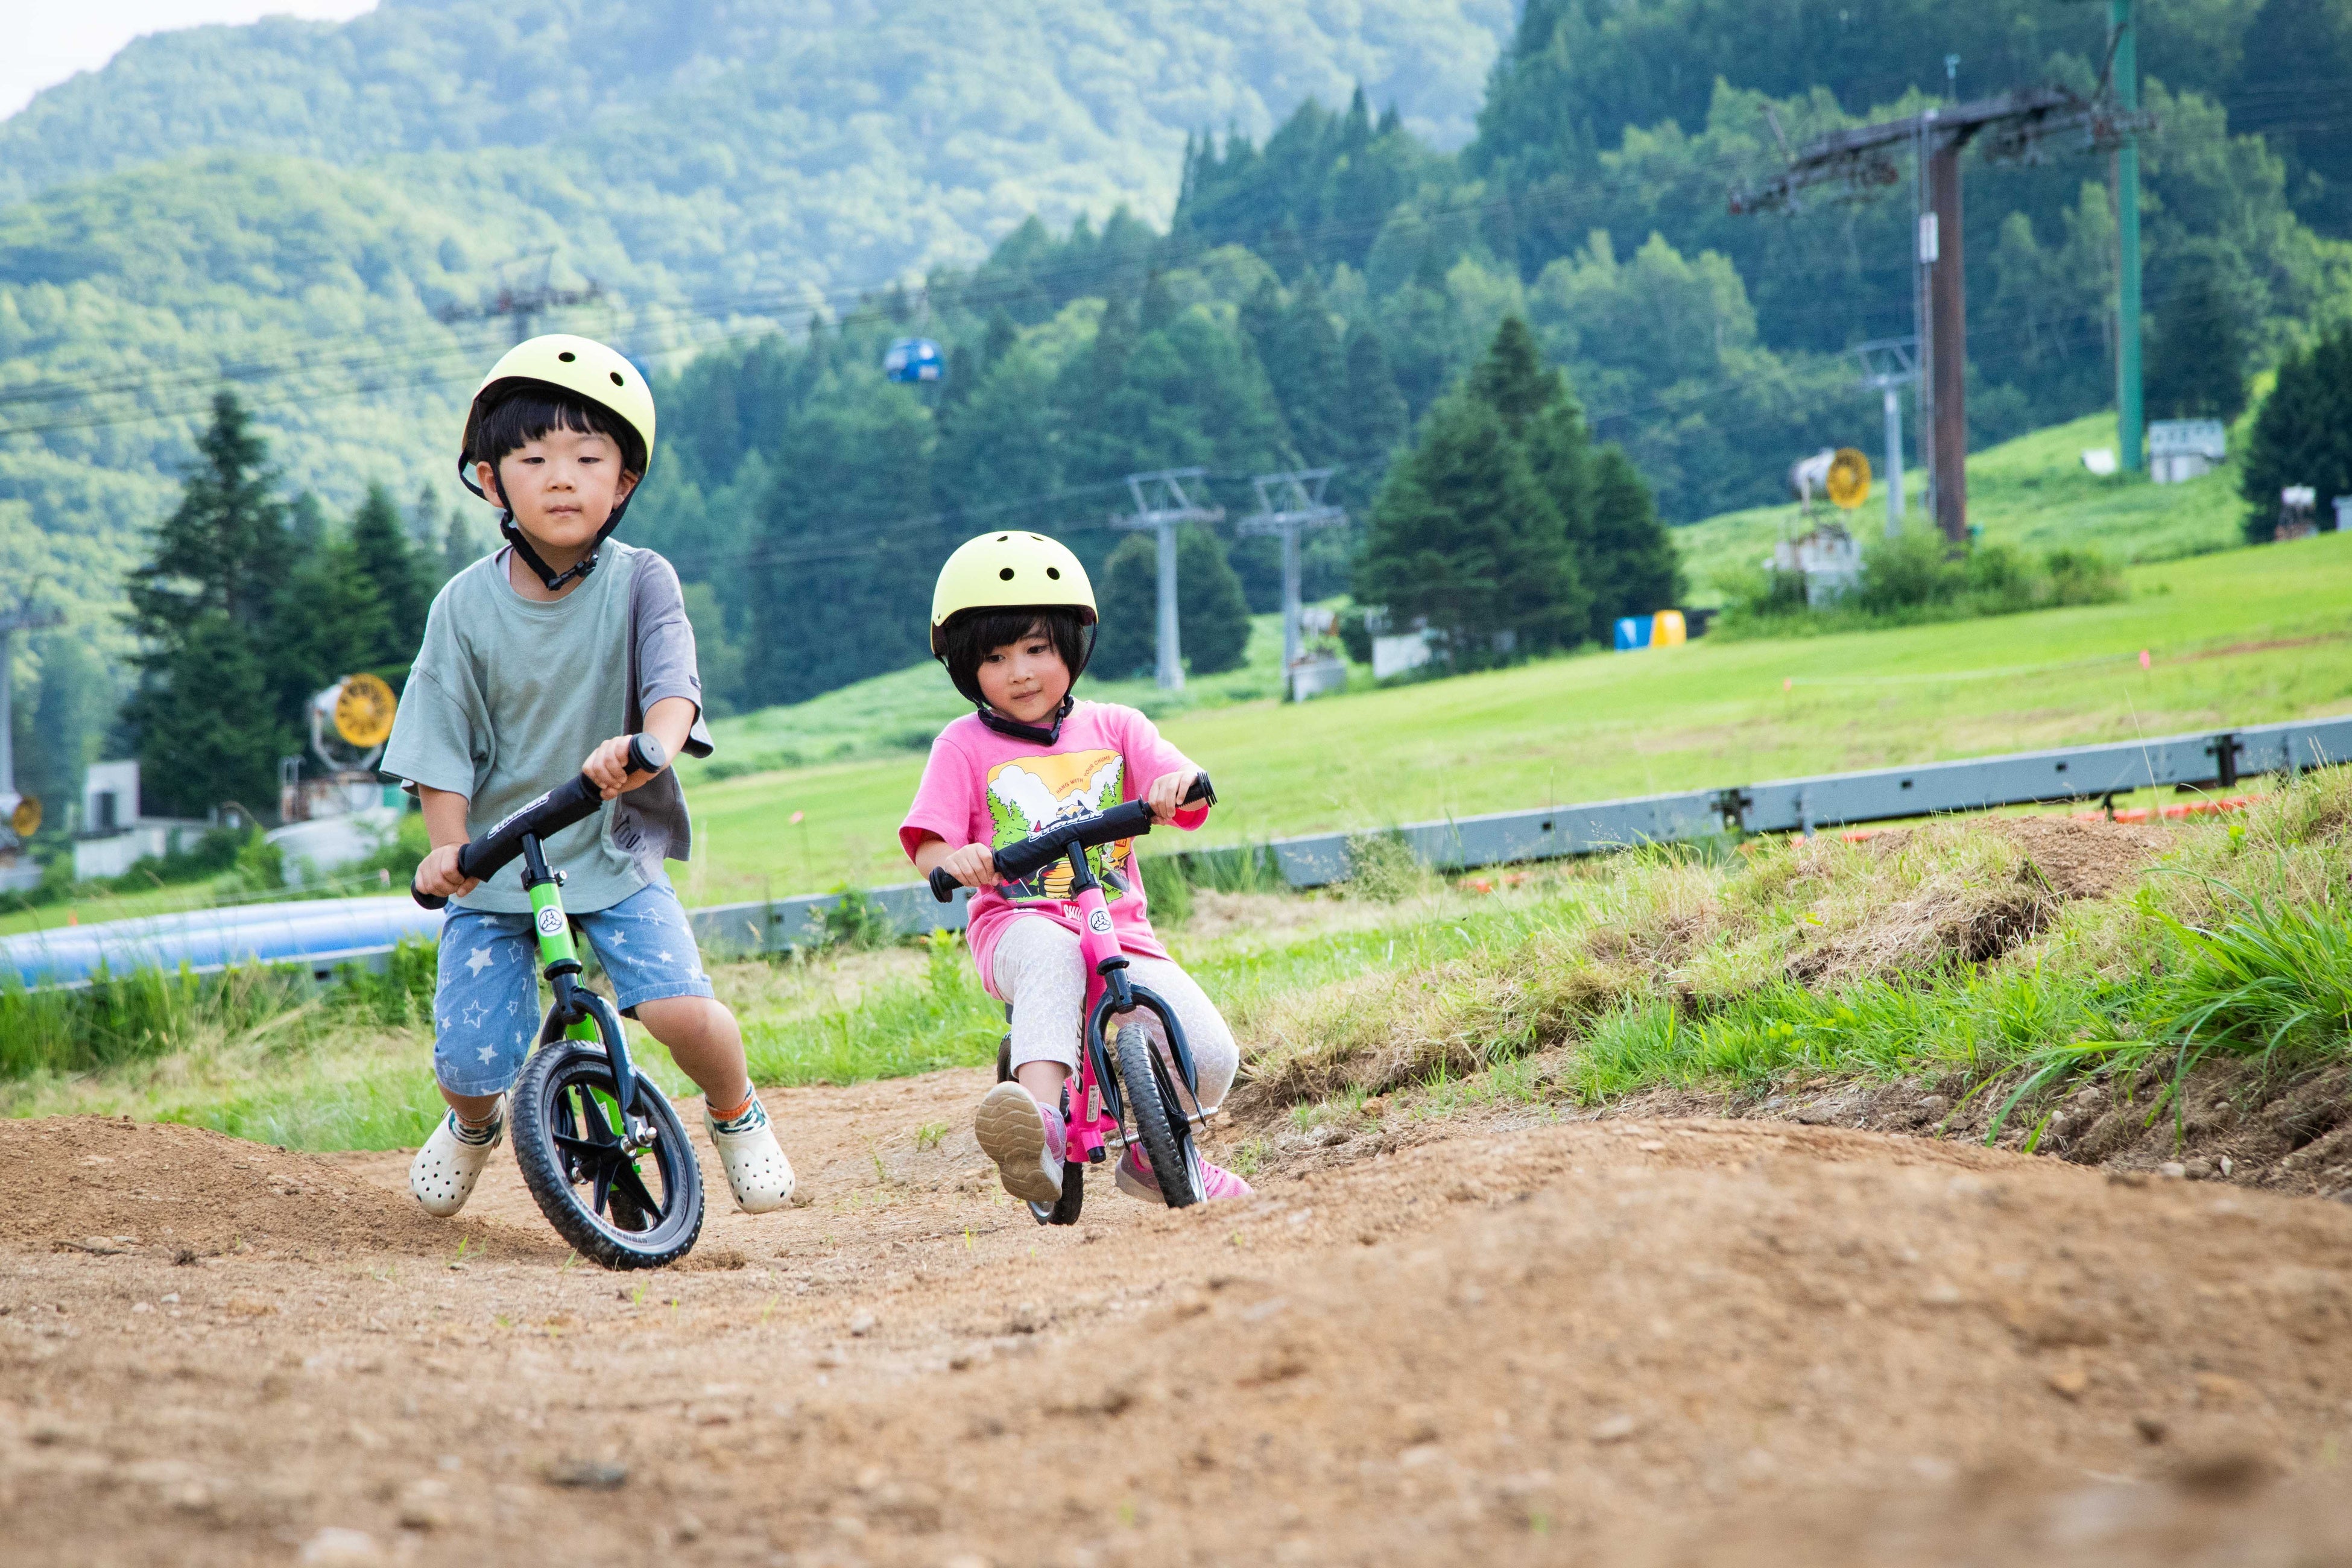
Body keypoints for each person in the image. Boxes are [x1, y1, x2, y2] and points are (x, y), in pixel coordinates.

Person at [384, 334, 794, 1219]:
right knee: (468, 1056)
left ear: (624, 482)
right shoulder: (461, 606)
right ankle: (473, 1129)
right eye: (533, 459)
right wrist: (448, 852)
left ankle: (737, 1112)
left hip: (607, 846)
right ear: (491, 482)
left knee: (681, 1010)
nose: (561, 477)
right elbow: (438, 744)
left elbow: (673, 687)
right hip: (497, 861)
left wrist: (649, 745)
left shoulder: (644, 580)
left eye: (587, 457)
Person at [900, 531, 1252, 1206]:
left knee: (1210, 1055)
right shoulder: (963, 746)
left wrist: (1176, 787)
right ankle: (1038, 1129)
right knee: (1054, 956)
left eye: (1037, 648)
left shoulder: (1118, 726)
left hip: (1118, 930)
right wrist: (957, 859)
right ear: (965, 667)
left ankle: (1159, 1153)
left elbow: (1177, 776)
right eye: (996, 657)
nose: (1021, 671)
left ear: (1072, 645)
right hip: (1018, 922)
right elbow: (928, 843)